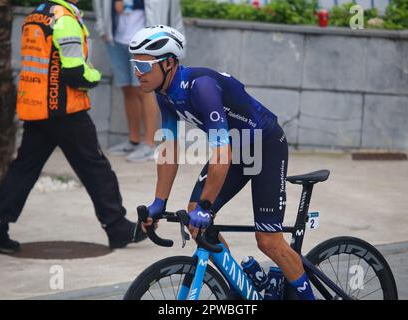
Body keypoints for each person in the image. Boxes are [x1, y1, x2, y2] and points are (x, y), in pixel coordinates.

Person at [131, 25, 316, 300]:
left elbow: (222, 155)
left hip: (265, 147)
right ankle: (242, 286)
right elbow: (169, 149)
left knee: (268, 241)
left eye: (143, 66)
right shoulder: (164, 94)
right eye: (133, 64)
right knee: (195, 216)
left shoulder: (201, 87)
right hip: (237, 149)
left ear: (168, 63)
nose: (137, 73)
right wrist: (159, 203)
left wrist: (207, 207)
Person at [0, 0, 146, 254]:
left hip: (37, 108)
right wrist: (95, 76)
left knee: (24, 168)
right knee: (96, 168)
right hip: (65, 110)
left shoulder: (37, 15)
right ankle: (117, 227)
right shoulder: (64, 19)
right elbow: (74, 74)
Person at [93, 0, 158, 162]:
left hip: (144, 41)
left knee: (144, 90)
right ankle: (134, 140)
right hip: (116, 39)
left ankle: (150, 144)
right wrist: (103, 30)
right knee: (127, 89)